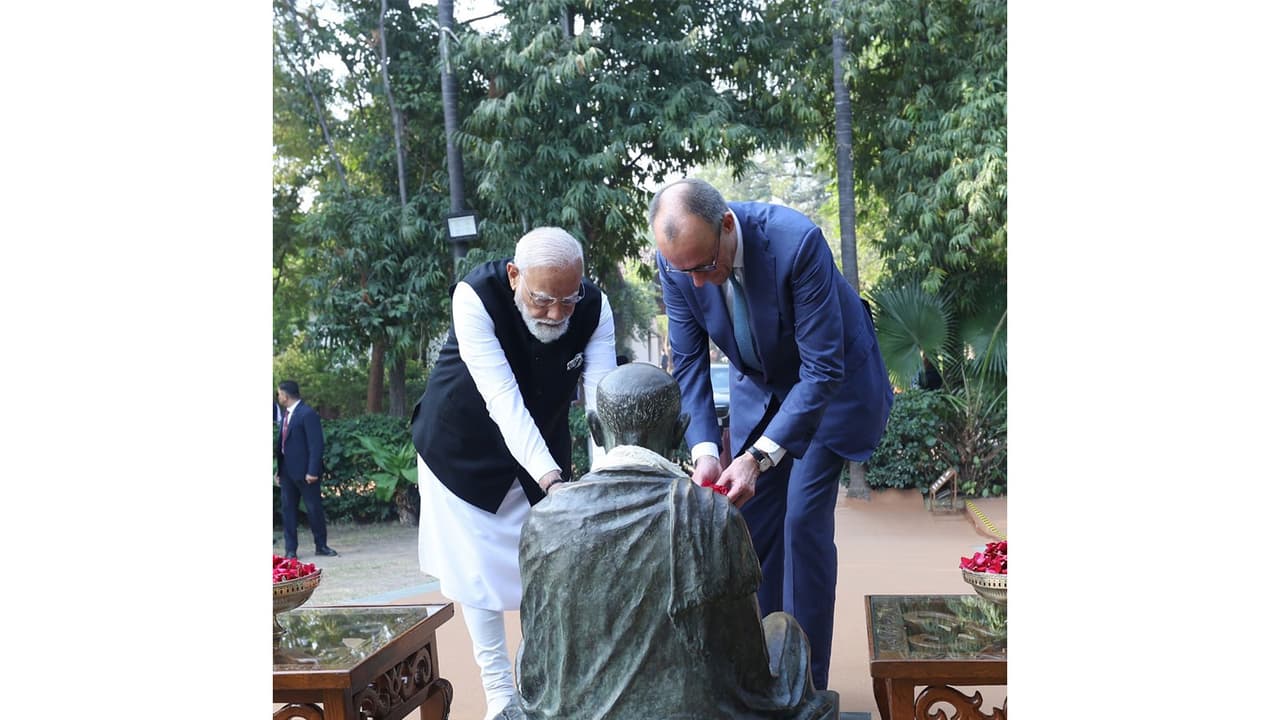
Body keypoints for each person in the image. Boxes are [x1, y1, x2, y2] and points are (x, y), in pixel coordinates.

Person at [649, 178, 893, 690]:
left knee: (801, 521)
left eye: (703, 267)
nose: (695, 282)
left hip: (832, 388)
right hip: (761, 392)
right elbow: (689, 360)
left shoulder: (796, 243)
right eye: (681, 270)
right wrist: (706, 450)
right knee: (749, 525)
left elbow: (822, 370)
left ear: (728, 227)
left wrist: (756, 458)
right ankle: (763, 674)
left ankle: (805, 686)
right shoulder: (680, 265)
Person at [505, 363, 836, 720]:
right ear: (680, 431)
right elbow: (747, 663)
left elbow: (537, 667)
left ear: (595, 430)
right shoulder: (712, 514)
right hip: (694, 710)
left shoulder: (545, 518)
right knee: (785, 632)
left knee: (526, 651)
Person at [409, 226, 616, 720]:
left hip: (540, 444)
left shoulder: (595, 307)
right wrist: (555, 484)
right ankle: (500, 694)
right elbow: (503, 400)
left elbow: (605, 401)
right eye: (543, 299)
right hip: (460, 447)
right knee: (475, 571)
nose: (556, 313)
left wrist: (606, 481)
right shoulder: (474, 297)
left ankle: (541, 684)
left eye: (568, 299)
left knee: (548, 569)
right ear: (514, 275)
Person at [275, 380, 339, 559]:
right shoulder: (286, 415)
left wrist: (312, 470)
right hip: (287, 471)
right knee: (288, 510)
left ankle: (321, 545)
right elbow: (282, 444)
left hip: (305, 473)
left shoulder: (307, 414)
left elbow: (316, 444)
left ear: (286, 395)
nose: (278, 397)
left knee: (313, 509)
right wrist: (279, 470)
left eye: (279, 394)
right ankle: (290, 550)